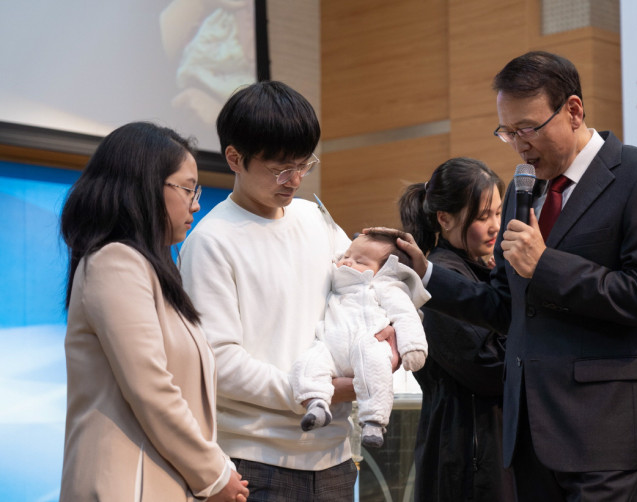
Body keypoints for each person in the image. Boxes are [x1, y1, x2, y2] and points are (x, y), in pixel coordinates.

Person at [374, 51, 637, 500]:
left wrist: (546, 265)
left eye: (528, 129)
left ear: (573, 111)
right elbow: (507, 306)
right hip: (529, 435)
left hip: (603, 431)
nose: (519, 145)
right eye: (507, 132)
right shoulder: (528, 191)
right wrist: (425, 274)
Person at [179, 81, 397, 501]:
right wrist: (319, 390)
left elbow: (357, 298)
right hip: (255, 460)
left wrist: (386, 337)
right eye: (281, 168)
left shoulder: (315, 219)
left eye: (304, 164)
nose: (294, 179)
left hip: (334, 455)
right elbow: (218, 362)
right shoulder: (211, 241)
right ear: (234, 158)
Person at [59, 122, 249, 501]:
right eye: (188, 188)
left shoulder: (151, 269)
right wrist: (214, 474)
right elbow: (151, 388)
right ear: (144, 186)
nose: (196, 203)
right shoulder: (116, 261)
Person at [398, 157, 515, 501]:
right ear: (444, 219)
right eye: (482, 217)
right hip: (466, 456)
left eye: (498, 213)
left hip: (484, 448)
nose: (495, 226)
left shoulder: (479, 269)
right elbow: (490, 368)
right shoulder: (442, 279)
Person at [290, 232, 429, 448]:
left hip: (368, 342)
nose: (348, 262)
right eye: (347, 256)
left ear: (384, 270)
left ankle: (374, 421)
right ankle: (316, 404)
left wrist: (413, 347)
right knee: (307, 362)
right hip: (330, 348)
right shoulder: (336, 286)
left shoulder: (386, 287)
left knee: (374, 366)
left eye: (360, 261)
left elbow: (405, 315)